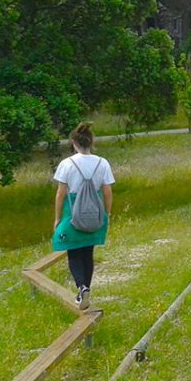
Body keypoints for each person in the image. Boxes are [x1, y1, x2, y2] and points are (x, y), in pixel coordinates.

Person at [52, 122, 115, 310]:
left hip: (73, 214)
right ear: (91, 142)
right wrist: (106, 214)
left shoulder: (67, 164)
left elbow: (60, 194)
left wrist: (57, 219)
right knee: (88, 252)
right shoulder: (102, 163)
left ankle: (82, 287)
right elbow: (107, 192)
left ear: (74, 143)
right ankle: (86, 289)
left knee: (73, 252)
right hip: (94, 213)